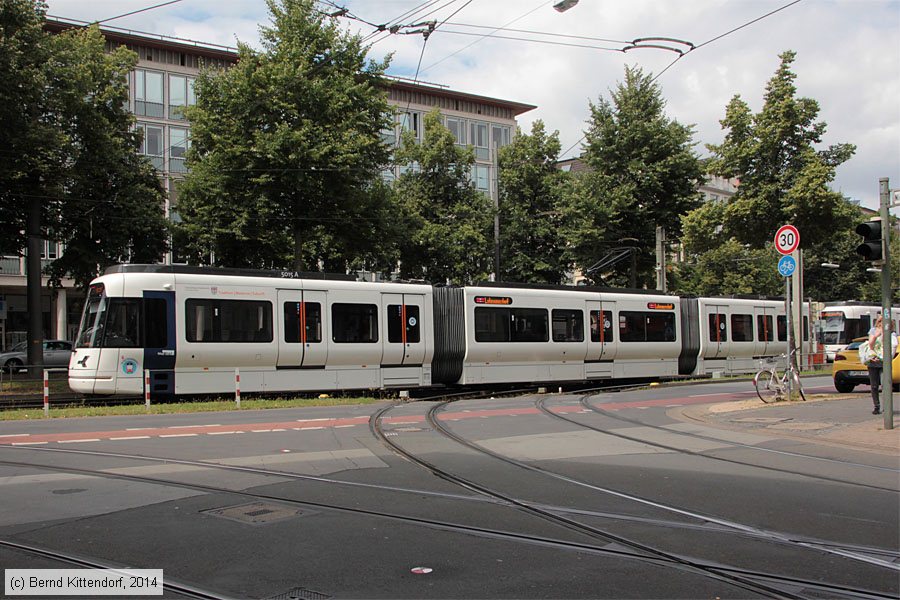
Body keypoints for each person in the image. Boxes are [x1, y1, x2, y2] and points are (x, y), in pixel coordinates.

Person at [866, 314, 898, 415]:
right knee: (874, 386)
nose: (881, 324)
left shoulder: (891, 333)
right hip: (873, 361)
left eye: (884, 322)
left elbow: (889, 345)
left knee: (886, 385)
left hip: (885, 363)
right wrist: (876, 335)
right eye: (880, 321)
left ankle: (886, 406)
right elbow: (870, 345)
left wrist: (884, 333)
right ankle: (876, 406)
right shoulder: (873, 331)